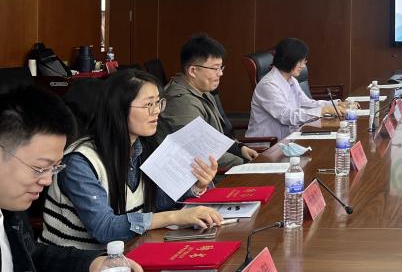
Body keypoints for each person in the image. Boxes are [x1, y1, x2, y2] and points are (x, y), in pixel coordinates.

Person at [0, 86, 146, 272]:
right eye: (39, 168)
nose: (47, 180)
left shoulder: (10, 209)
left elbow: (31, 257)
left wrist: (93, 263)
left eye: (54, 168)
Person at [42, 69, 222, 249]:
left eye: (158, 102)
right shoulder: (80, 161)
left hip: (127, 253)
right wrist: (174, 217)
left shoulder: (143, 147)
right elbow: (104, 228)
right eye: (148, 104)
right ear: (119, 108)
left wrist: (196, 186)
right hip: (78, 262)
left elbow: (157, 203)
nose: (157, 111)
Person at [160, 33, 257, 170]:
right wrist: (245, 165)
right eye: (215, 68)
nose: (220, 73)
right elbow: (201, 153)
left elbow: (216, 138)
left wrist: (239, 148)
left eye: (221, 68)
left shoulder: (202, 90)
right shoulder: (181, 102)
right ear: (193, 71)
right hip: (203, 176)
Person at [246, 38, 341, 141]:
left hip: (288, 138)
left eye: (304, 61)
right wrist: (322, 111)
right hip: (267, 144)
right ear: (288, 60)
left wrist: (337, 104)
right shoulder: (268, 85)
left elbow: (306, 103)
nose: (303, 66)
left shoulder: (291, 80)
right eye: (300, 62)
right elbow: (286, 116)